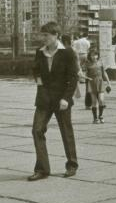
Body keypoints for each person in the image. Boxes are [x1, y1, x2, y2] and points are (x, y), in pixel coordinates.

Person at [29, 21, 80, 181]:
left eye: (46, 35)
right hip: (44, 98)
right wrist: (39, 83)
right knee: (37, 130)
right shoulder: (40, 52)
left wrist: (66, 98)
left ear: (56, 35)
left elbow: (73, 77)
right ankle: (42, 169)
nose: (43, 38)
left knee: (66, 131)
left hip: (61, 99)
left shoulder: (68, 53)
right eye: (42, 35)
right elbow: (36, 70)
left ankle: (72, 165)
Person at [85, 49, 111, 124]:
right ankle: (95, 118)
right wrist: (87, 78)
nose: (94, 57)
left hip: (100, 82)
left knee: (101, 100)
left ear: (98, 55)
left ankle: (101, 116)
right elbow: (84, 74)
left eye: (95, 55)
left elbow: (104, 73)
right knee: (94, 101)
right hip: (91, 83)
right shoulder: (88, 64)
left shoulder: (100, 62)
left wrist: (109, 83)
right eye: (92, 55)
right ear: (90, 56)